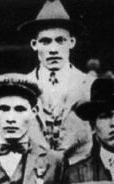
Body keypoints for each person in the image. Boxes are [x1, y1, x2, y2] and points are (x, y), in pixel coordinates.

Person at [18, 0, 95, 166]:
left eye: (60, 40)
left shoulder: (90, 85)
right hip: (33, 172)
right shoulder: (22, 87)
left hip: (80, 173)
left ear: (71, 42)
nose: (53, 49)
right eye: (45, 41)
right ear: (34, 45)